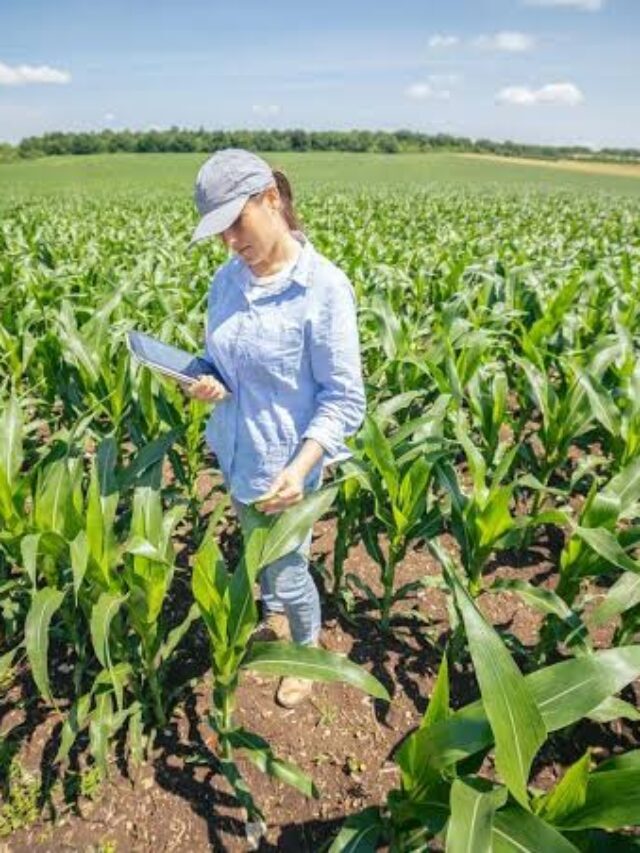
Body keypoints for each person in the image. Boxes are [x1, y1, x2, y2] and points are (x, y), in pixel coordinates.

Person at [186, 148, 365, 708]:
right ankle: (273, 618)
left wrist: (301, 467)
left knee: (288, 570)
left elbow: (343, 398)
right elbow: (223, 358)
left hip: (285, 471)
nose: (230, 243)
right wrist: (205, 380)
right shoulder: (227, 280)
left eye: (235, 224)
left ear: (270, 199)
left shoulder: (324, 289)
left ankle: (306, 653)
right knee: (256, 555)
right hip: (237, 454)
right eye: (219, 233)